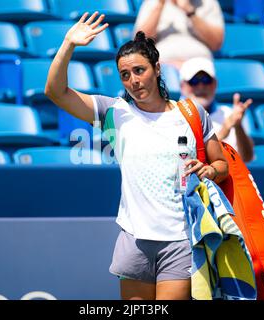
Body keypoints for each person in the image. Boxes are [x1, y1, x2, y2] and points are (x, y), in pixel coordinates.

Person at [45, 12, 229, 300]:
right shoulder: (113, 111)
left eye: (139, 71)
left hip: (180, 240)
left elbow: (221, 164)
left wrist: (210, 171)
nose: (133, 80)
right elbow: (55, 92)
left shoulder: (192, 114)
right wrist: (68, 43)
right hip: (134, 240)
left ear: (157, 69)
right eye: (125, 75)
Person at [179, 57, 254, 162]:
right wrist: (223, 132)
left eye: (206, 80)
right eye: (194, 81)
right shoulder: (172, 115)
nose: (201, 86)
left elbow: (247, 158)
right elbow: (185, 158)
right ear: (182, 86)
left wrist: (238, 127)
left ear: (215, 84)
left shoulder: (228, 113)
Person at [134, 0, 224, 69]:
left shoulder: (209, 3)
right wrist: (160, 5)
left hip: (200, 69)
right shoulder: (152, 2)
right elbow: (140, 42)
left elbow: (216, 43)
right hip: (163, 67)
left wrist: (189, 10)